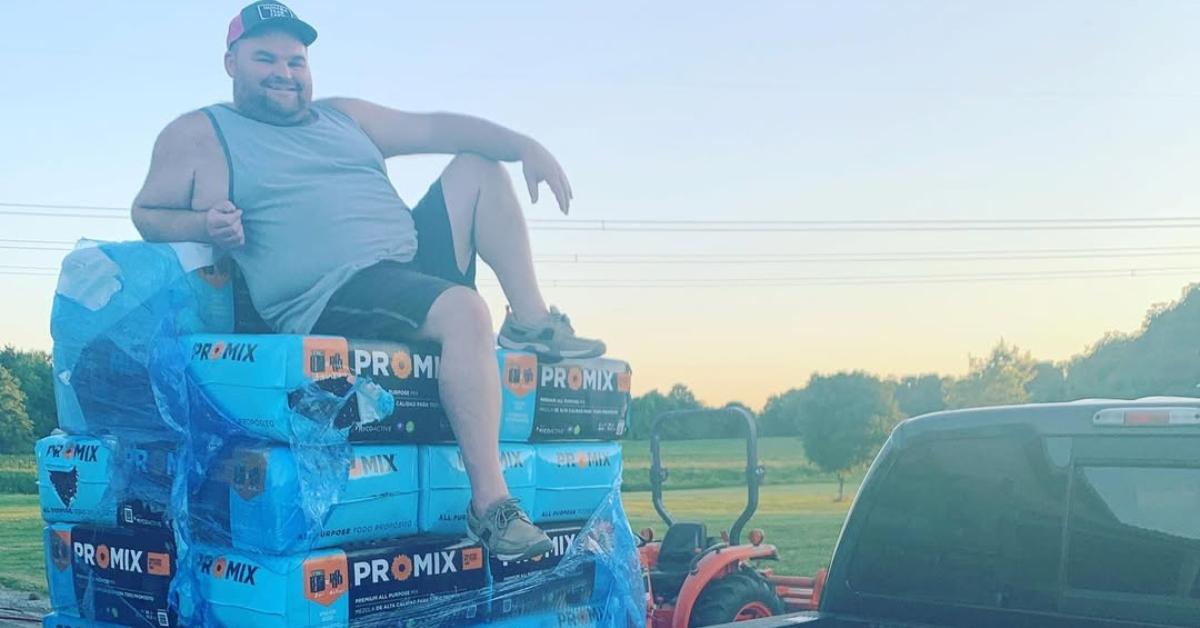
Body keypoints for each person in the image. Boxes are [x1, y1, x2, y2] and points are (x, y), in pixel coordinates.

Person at [131, 1, 605, 561]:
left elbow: (435, 126)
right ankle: (491, 507)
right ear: (231, 63)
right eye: (266, 58)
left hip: (408, 268)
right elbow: (148, 213)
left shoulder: (344, 116)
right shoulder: (199, 133)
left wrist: (524, 144)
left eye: (296, 60)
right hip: (330, 292)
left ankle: (531, 324)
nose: (284, 72)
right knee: (465, 311)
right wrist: (204, 224)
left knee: (480, 167)